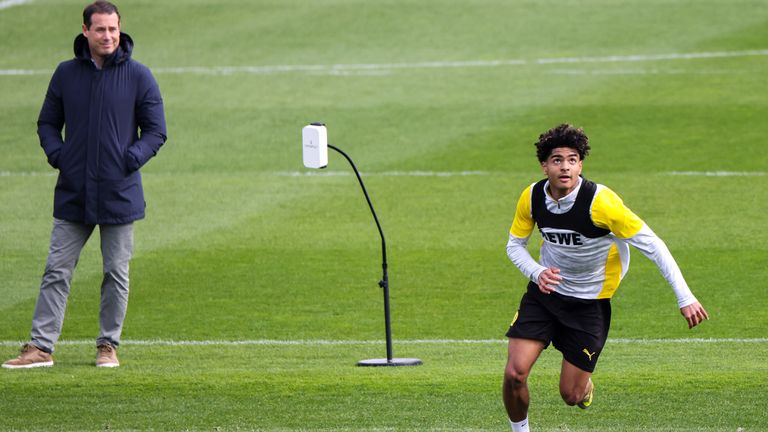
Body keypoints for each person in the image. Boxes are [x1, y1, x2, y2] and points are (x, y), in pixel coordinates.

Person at [501, 124, 708, 431]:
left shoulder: (602, 203)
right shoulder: (531, 197)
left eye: (572, 159)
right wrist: (538, 271)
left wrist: (685, 296)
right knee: (514, 373)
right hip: (545, 296)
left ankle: (585, 388)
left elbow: (654, 245)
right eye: (557, 160)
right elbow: (514, 245)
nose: (565, 167)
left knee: (571, 395)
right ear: (544, 166)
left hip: (589, 304)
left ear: (580, 164)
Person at [2, 1, 166, 369]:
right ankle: (41, 348)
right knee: (56, 270)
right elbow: (47, 123)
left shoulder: (139, 76)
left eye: (113, 29)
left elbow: (156, 131)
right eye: (100, 29)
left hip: (119, 192)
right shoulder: (65, 74)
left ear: (120, 29)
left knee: (115, 273)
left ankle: (108, 345)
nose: (107, 36)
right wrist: (60, 156)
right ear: (85, 31)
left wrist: (130, 159)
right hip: (74, 191)